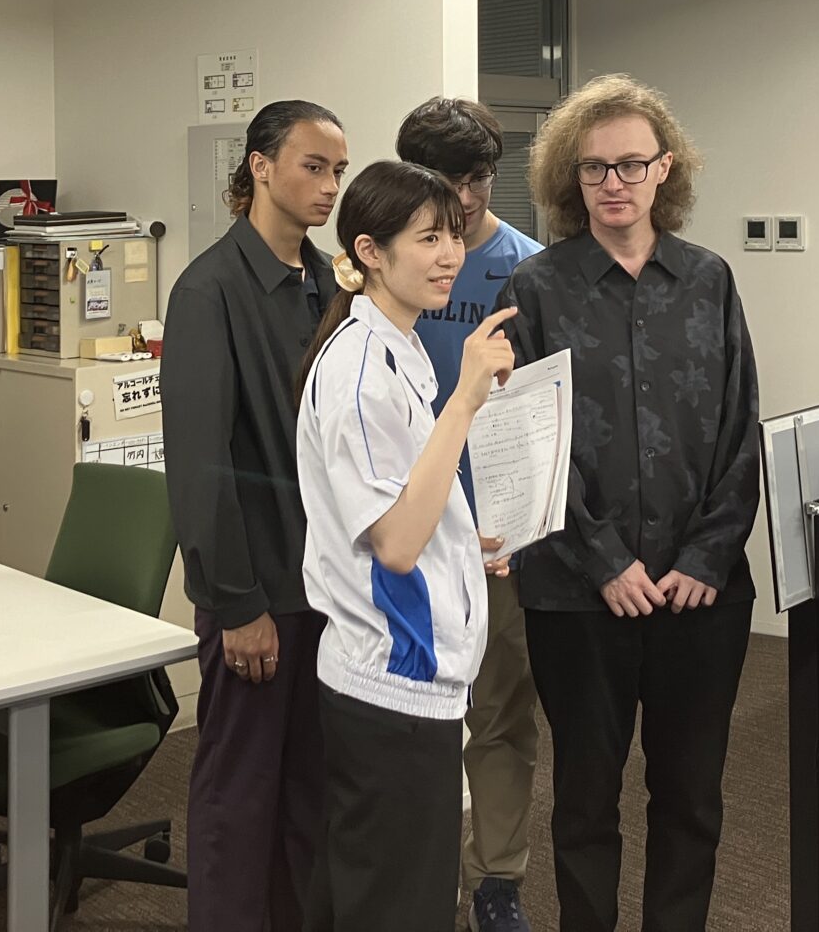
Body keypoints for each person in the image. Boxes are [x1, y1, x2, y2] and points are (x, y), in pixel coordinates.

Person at [494, 74, 761, 932]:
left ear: (664, 169)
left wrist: (706, 557)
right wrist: (605, 561)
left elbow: (741, 433)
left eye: (631, 165)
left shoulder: (710, 280)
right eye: (594, 168)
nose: (613, 183)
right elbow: (528, 444)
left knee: (691, 797)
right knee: (583, 800)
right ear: (570, 177)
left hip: (698, 595)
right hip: (579, 597)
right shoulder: (536, 288)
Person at [294, 161, 513, 930]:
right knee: (398, 907)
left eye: (454, 235)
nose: (450, 254)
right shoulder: (360, 370)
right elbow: (392, 542)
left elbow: (408, 498)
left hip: (404, 682)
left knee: (363, 896)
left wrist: (462, 541)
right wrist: (466, 400)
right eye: (428, 239)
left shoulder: (397, 345)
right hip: (390, 682)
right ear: (371, 252)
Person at [160, 99, 349, 932]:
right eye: (314, 166)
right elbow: (199, 466)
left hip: (329, 590)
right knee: (240, 794)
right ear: (260, 167)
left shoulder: (330, 283)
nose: (330, 185)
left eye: (338, 170)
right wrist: (237, 604)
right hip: (259, 592)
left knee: (312, 790)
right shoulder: (209, 290)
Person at [395, 97, 545, 932]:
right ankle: (417, 879)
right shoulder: (389, 265)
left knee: (498, 716)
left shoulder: (527, 271)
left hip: (495, 541)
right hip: (403, 534)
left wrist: (520, 522)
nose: (464, 199)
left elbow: (544, 413)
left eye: (479, 178)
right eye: (445, 182)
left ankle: (496, 880)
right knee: (407, 717)